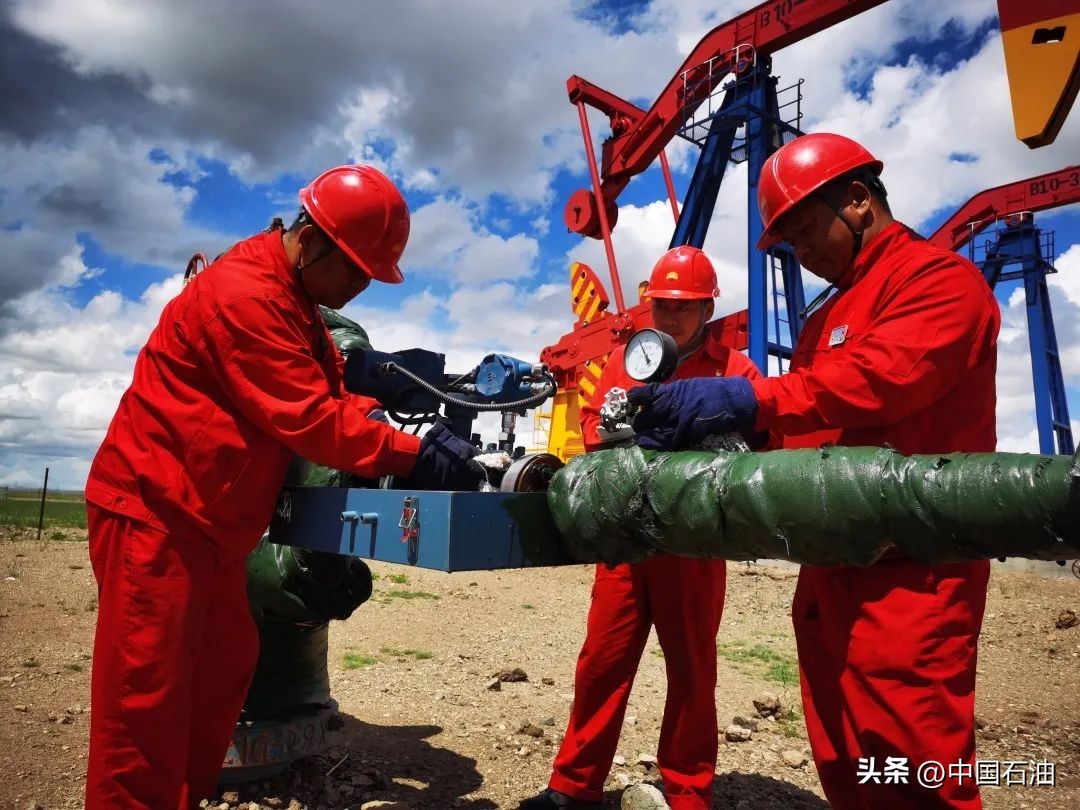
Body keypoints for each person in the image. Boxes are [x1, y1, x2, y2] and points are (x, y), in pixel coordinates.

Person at [83, 164, 483, 809]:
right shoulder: (246, 296)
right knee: (144, 709)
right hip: (156, 512)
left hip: (213, 526)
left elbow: (331, 398)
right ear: (311, 238)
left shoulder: (296, 303)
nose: (358, 288)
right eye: (354, 270)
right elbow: (307, 417)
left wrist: (415, 433)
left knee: (220, 677)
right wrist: (414, 456)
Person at [628, 133, 1000, 809]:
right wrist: (730, 452)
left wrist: (748, 398)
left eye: (804, 234)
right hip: (830, 565)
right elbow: (806, 427)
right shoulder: (825, 315)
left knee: (913, 763)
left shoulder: (939, 281)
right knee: (844, 753)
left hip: (912, 572)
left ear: (857, 201)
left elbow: (880, 380)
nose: (801, 256)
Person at [520, 246, 763, 810]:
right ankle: (573, 786)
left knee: (693, 671)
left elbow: (756, 439)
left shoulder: (734, 371)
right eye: (662, 305)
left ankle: (689, 792)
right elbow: (593, 424)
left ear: (707, 309)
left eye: (684, 307)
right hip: (625, 539)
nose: (670, 317)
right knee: (602, 662)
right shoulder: (626, 362)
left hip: (693, 545)